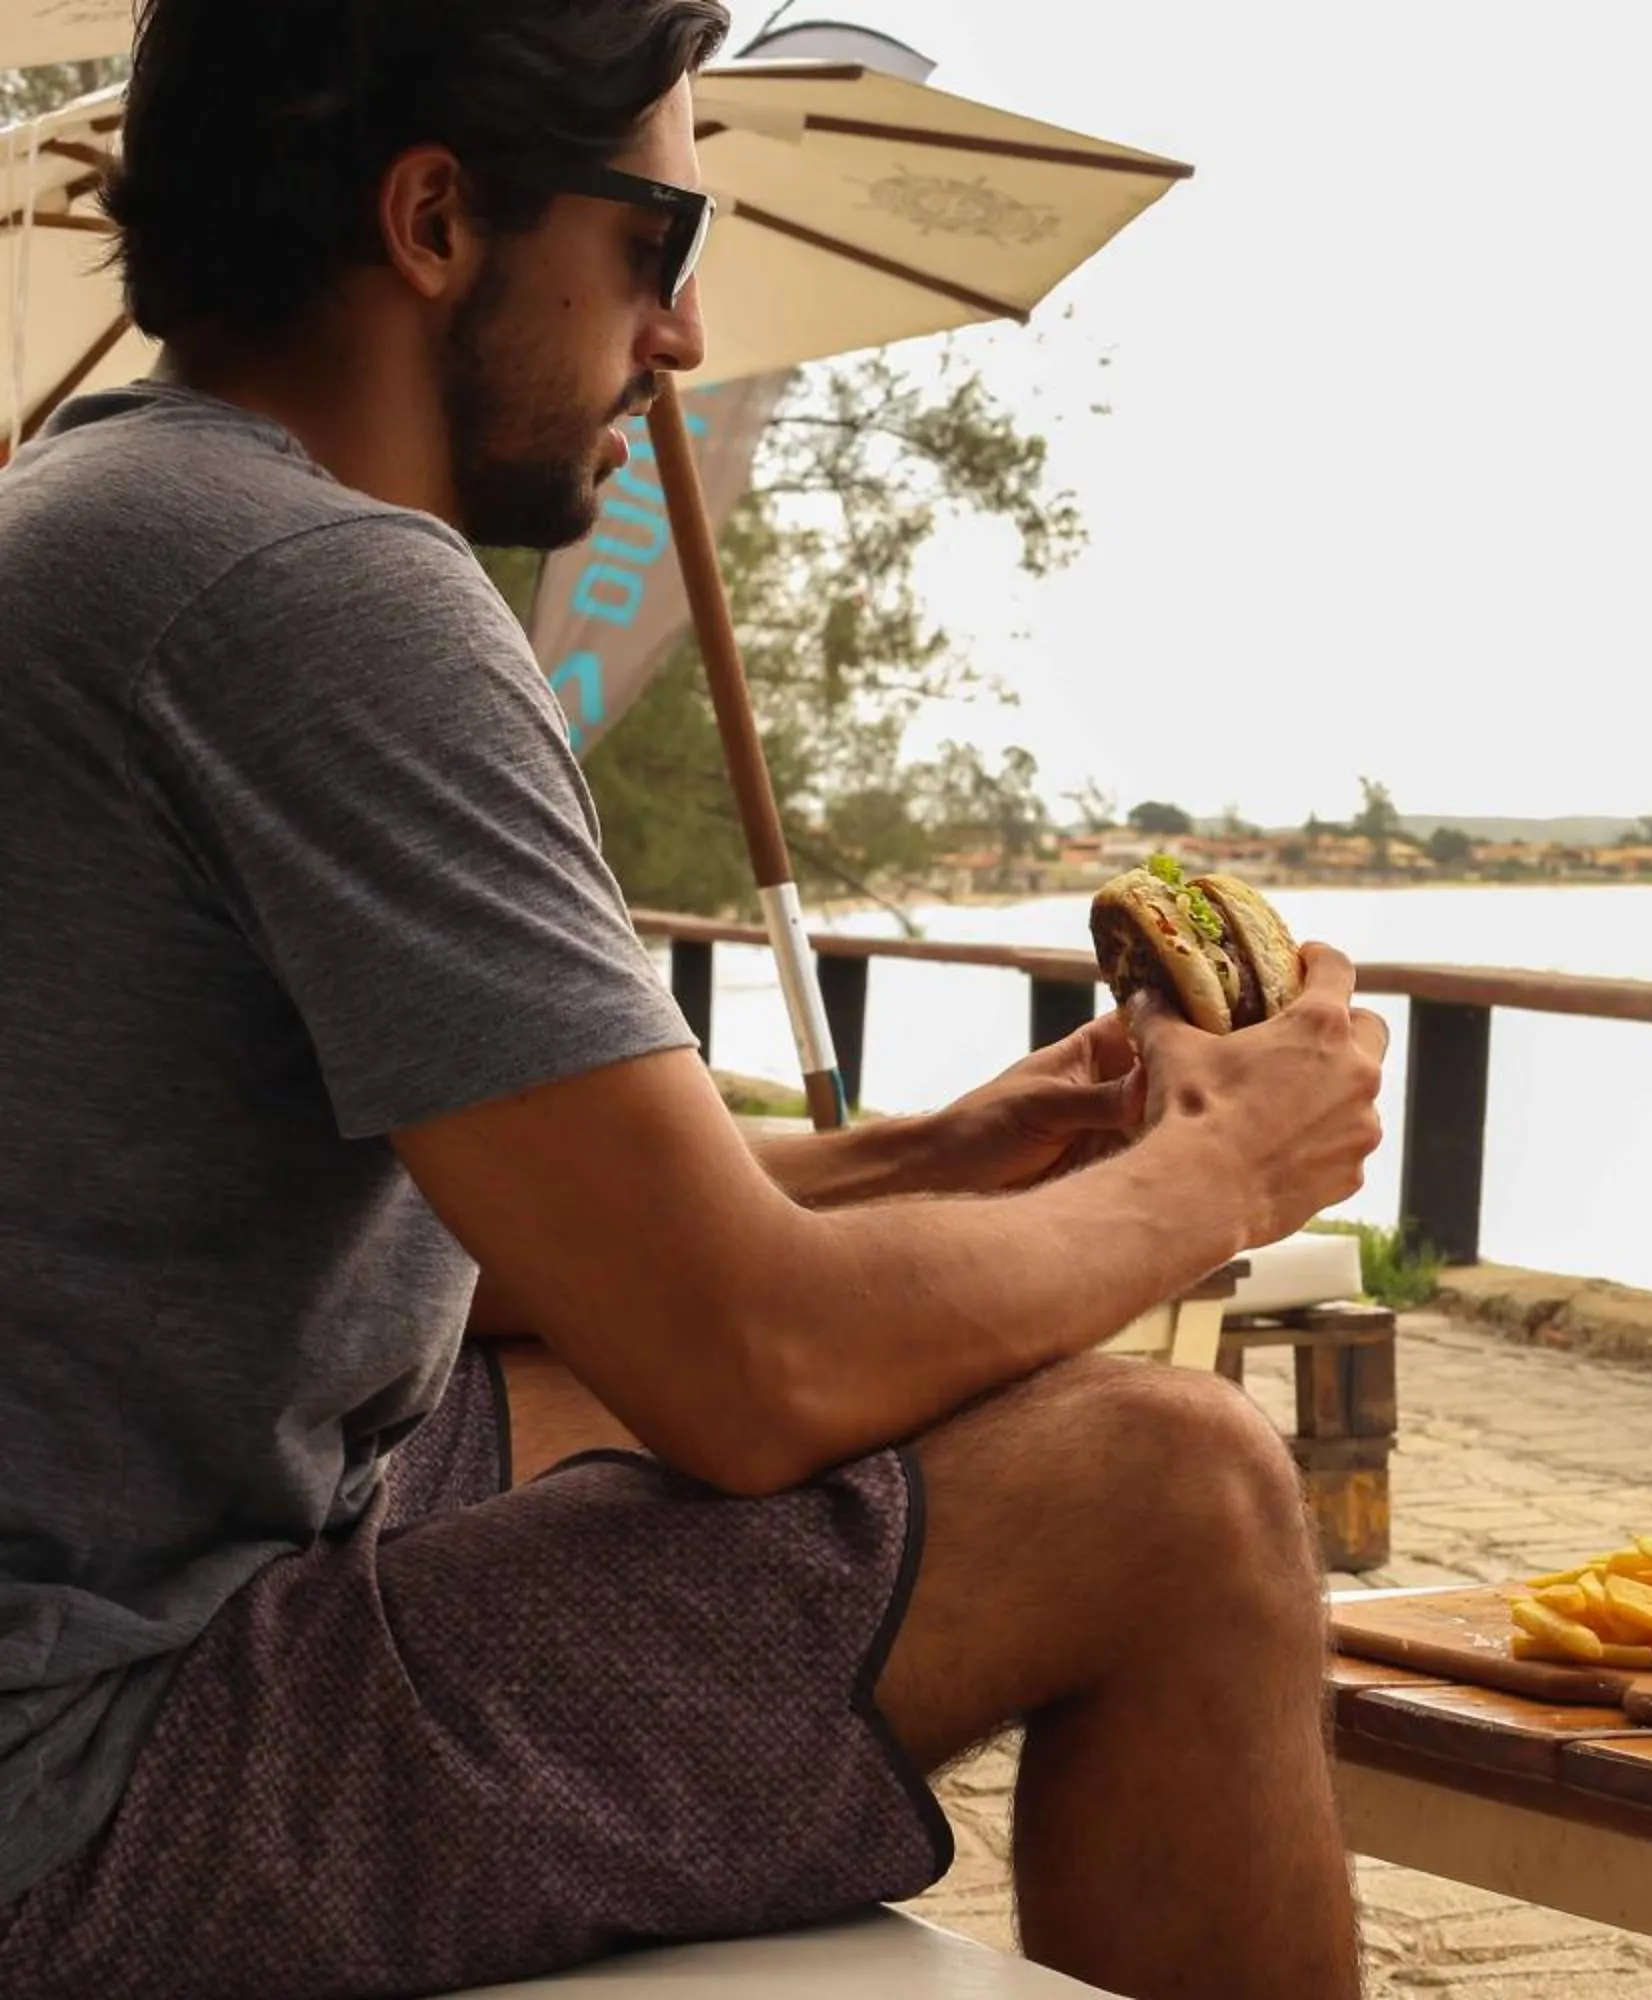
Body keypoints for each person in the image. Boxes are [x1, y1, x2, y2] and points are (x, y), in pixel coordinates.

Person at [0, 4, 1385, 1996]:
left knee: (773, 1370)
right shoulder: (322, 595)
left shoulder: (95, 516)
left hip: (105, 1594)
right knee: (1178, 1490)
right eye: (658, 238)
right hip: (78, 1803)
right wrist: (1223, 1172)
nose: (680, 334)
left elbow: (522, 1259)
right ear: (431, 219)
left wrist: (949, 1153)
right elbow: (747, 1376)